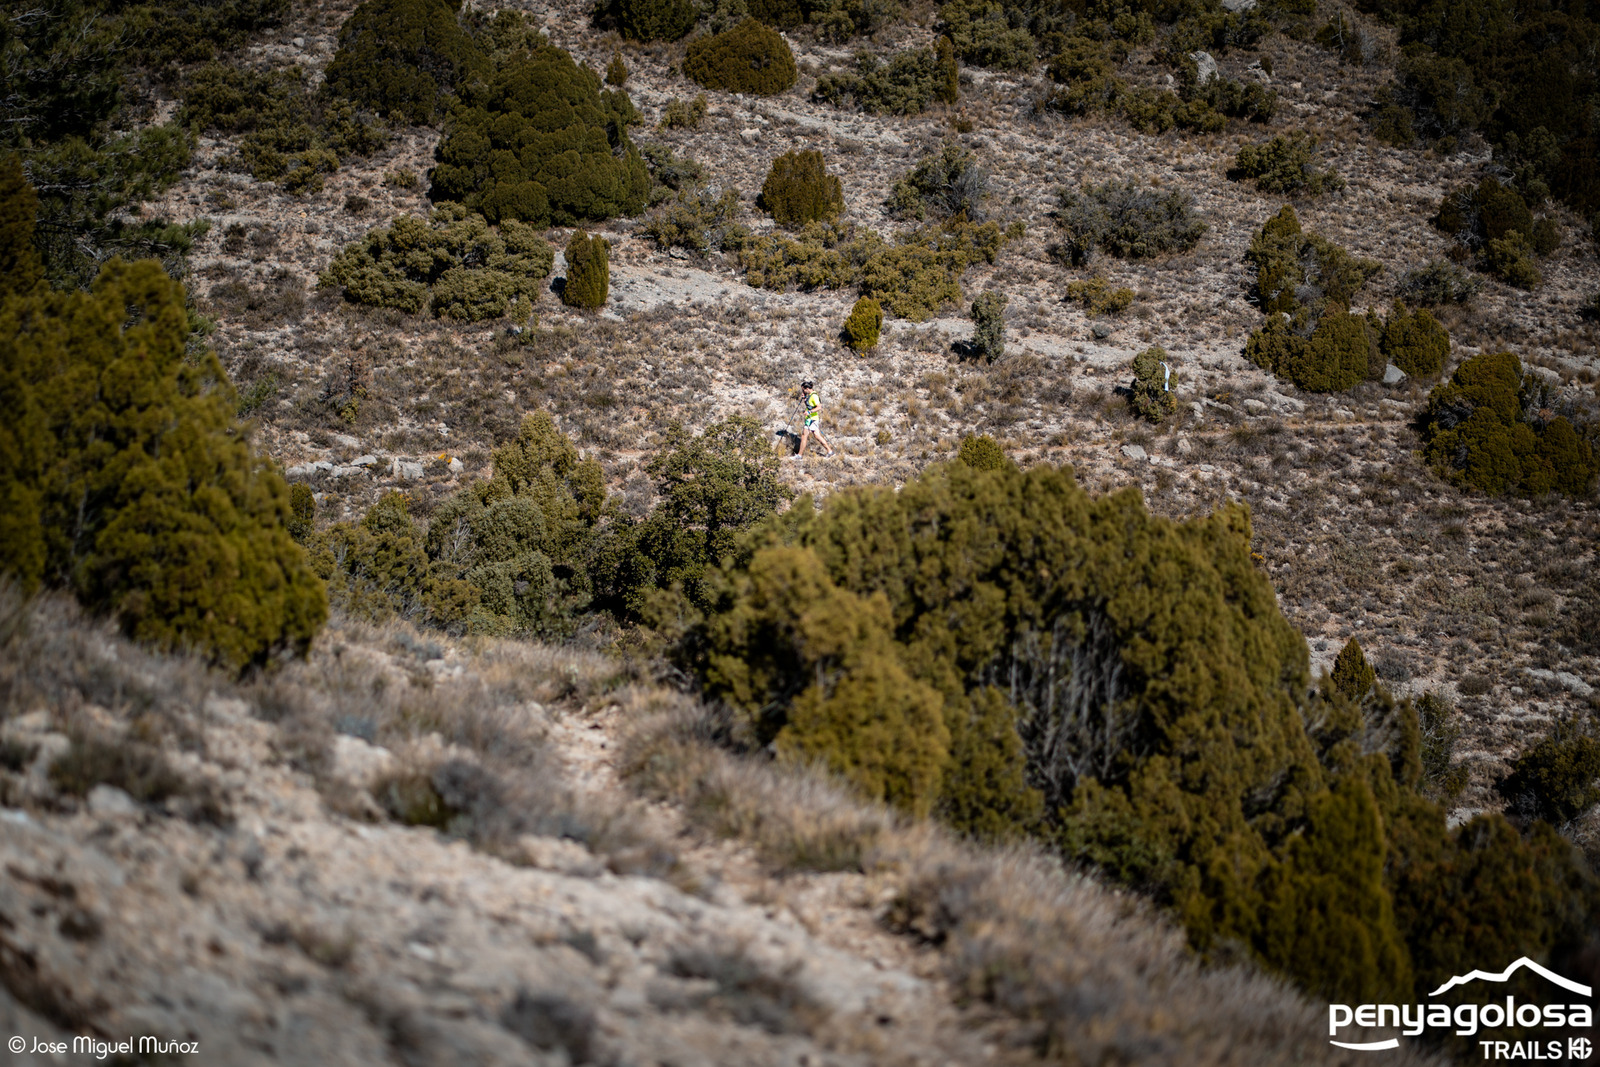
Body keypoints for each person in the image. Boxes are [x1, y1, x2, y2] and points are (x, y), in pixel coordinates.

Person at [797, 379, 835, 458]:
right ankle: (830, 451)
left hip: (811, 419)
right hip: (812, 418)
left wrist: (809, 412)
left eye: (803, 390)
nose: (803, 391)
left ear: (807, 389)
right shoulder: (810, 395)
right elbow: (810, 405)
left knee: (804, 436)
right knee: (817, 436)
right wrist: (805, 399)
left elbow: (819, 407)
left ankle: (799, 455)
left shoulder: (814, 396)